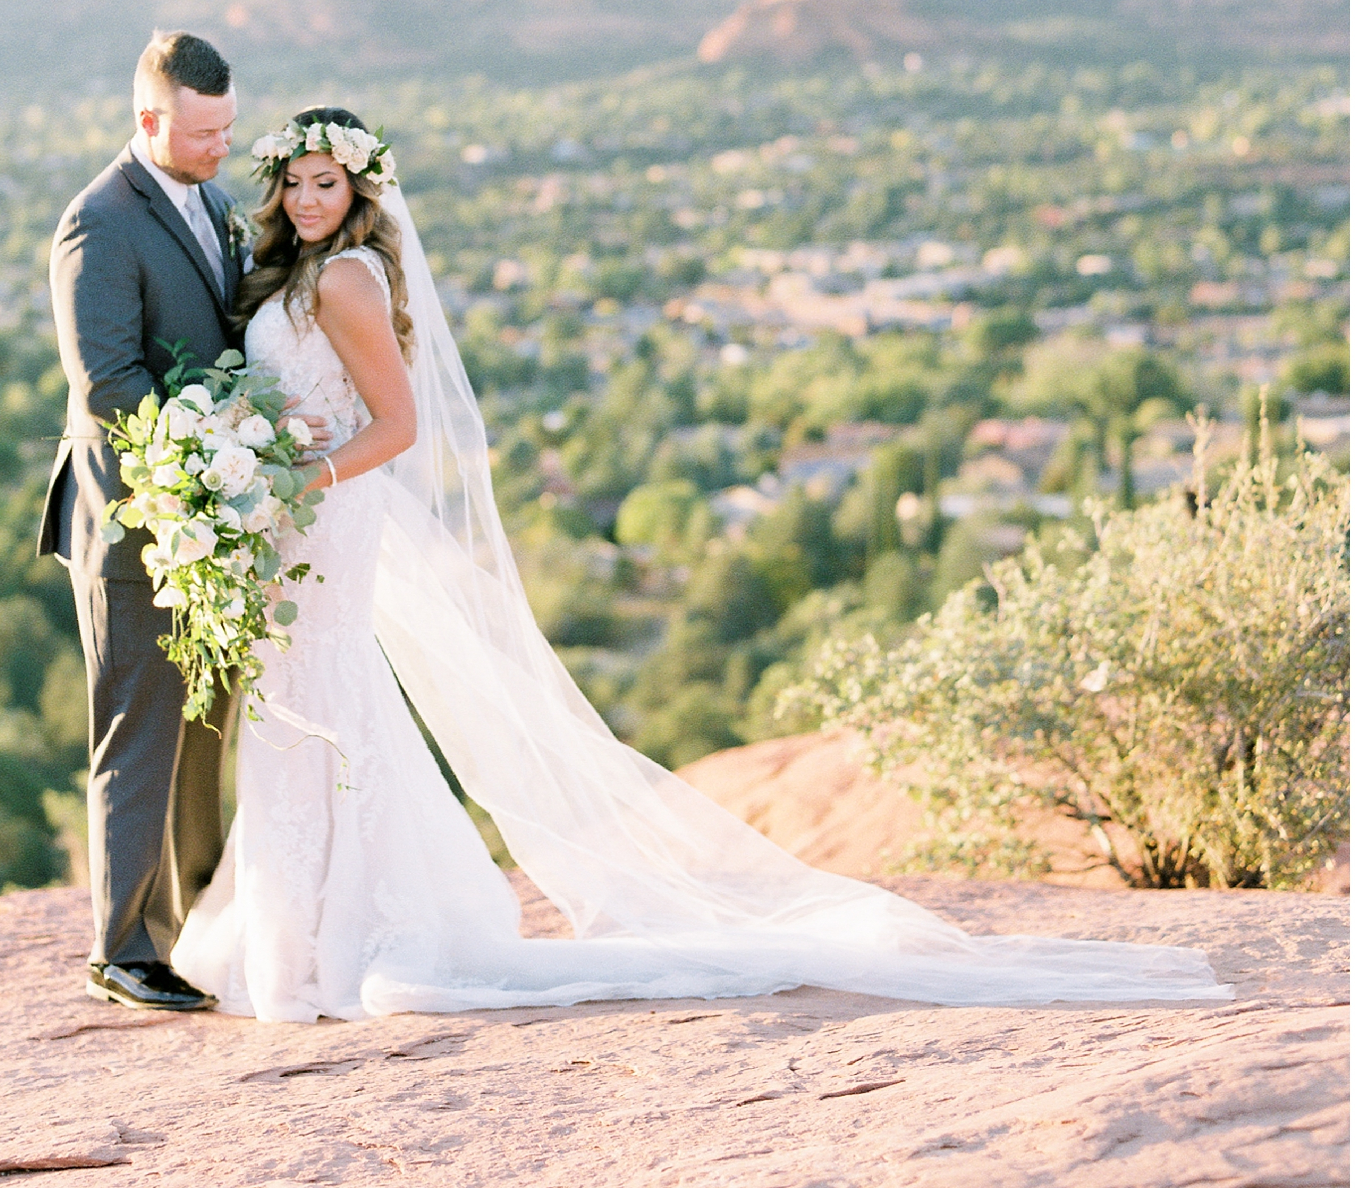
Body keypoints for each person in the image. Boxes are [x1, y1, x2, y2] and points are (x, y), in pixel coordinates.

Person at [173, 108, 1231, 1021]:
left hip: (327, 514)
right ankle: (311, 936)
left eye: (328, 182)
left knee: (320, 706)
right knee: (305, 710)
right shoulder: (303, 272)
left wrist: (303, 473)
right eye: (296, 184)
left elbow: (395, 426)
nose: (309, 199)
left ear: (358, 190)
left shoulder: (348, 278)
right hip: (299, 521)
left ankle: (333, 940)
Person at [40, 31, 326, 1013]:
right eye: (203, 132)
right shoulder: (98, 224)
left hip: (218, 511)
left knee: (208, 719)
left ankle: (197, 926)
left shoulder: (207, 200)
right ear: (150, 120)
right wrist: (209, 451)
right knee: (141, 726)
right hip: (136, 517)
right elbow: (110, 382)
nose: (220, 147)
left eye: (228, 128)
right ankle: (123, 948)